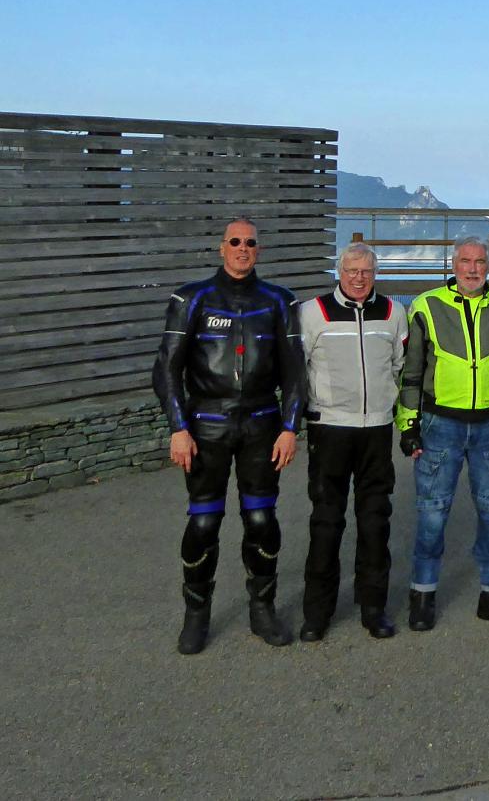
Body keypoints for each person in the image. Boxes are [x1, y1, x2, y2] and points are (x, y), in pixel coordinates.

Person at [152, 217, 305, 654]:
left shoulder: (279, 300)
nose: (242, 249)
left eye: (250, 243)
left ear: (259, 250)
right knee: (204, 523)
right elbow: (166, 369)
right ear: (222, 248)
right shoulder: (191, 298)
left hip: (262, 423)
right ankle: (196, 615)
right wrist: (178, 428)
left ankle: (262, 609)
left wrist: (290, 428)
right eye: (235, 241)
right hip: (207, 424)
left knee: (261, 520)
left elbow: (296, 372)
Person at [395, 236, 489, 631]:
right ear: (453, 264)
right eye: (465, 261)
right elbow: (411, 372)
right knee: (432, 513)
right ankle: (422, 594)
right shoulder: (426, 306)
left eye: (479, 262)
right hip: (440, 425)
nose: (472, 269)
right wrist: (408, 425)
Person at [297, 242, 407, 642]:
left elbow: (399, 365)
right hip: (330, 429)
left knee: (375, 521)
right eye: (352, 271)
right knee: (326, 523)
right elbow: (298, 368)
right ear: (339, 272)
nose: (359, 278)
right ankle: (317, 613)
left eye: (366, 271)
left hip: (376, 428)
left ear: (375, 273)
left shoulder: (394, 312)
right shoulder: (312, 312)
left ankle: (373, 607)